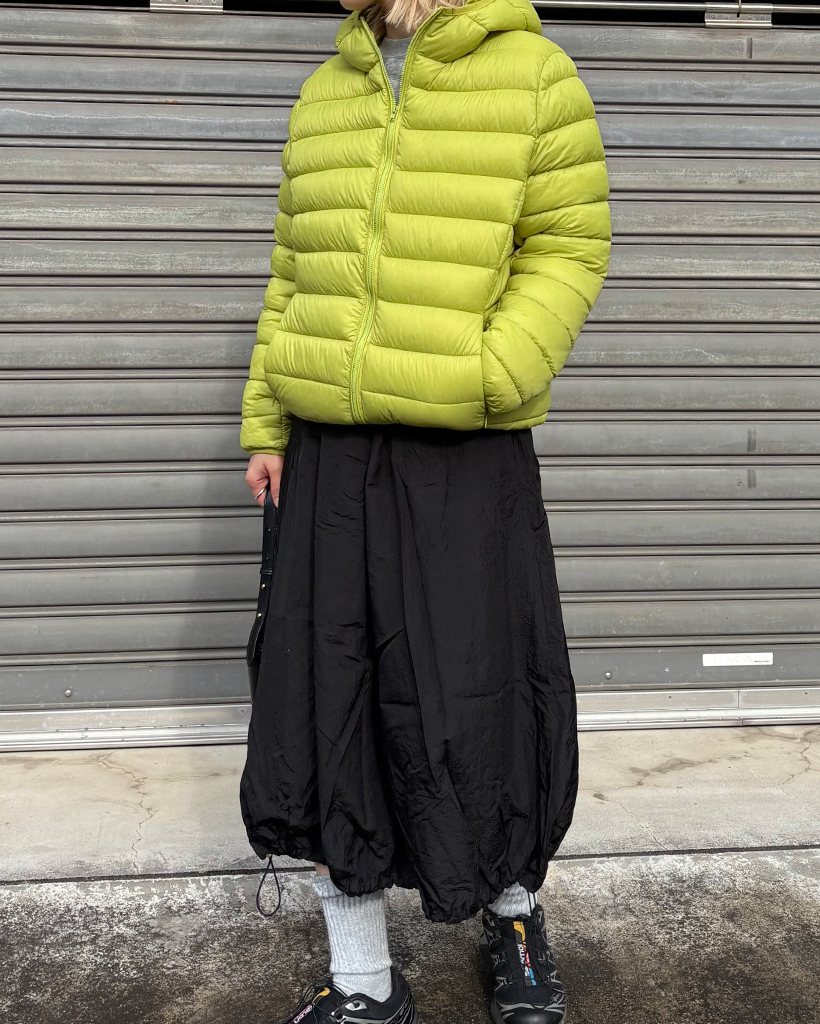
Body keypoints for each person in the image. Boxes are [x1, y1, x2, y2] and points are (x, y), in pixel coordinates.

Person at [239, 0, 611, 1019]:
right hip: (329, 454)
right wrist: (266, 422)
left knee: (486, 696)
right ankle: (363, 976)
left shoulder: (533, 72)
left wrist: (496, 372)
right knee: (329, 708)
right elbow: (292, 272)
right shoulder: (327, 90)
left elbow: (569, 243)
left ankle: (516, 921)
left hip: (463, 450)